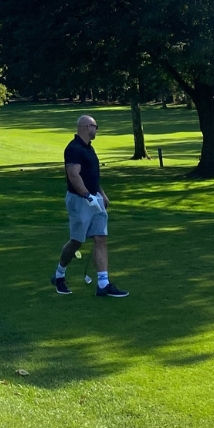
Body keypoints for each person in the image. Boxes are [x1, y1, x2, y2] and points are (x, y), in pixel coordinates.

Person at [51, 114, 129, 297]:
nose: (97, 130)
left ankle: (103, 284)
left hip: (95, 198)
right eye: (95, 126)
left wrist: (101, 194)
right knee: (77, 241)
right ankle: (59, 275)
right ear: (86, 127)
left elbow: (91, 175)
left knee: (101, 238)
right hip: (80, 201)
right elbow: (74, 175)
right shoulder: (73, 149)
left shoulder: (89, 149)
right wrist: (87, 196)